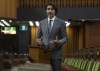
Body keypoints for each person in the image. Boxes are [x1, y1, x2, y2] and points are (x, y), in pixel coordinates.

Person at [36, 3, 67, 71]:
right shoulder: (42, 22)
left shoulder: (61, 22)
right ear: (46, 11)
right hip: (43, 55)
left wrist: (59, 42)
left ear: (55, 11)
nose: (50, 11)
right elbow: (37, 37)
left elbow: (65, 38)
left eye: (52, 9)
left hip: (56, 55)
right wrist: (39, 42)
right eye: (48, 9)